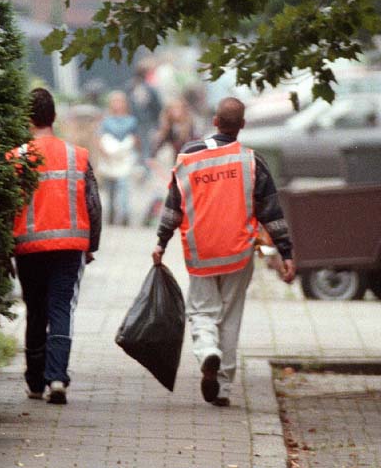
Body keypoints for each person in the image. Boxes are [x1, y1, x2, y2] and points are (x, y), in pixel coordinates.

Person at [152, 97, 295, 407]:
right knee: (230, 318)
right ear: (241, 126)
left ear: (214, 121)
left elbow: (173, 207)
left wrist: (161, 242)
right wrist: (286, 253)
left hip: (201, 250)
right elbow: (272, 212)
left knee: (202, 311)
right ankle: (223, 387)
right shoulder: (251, 162)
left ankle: (207, 352)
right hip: (238, 252)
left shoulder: (189, 157)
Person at [9, 88, 102, 405]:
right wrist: (92, 245)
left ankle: (35, 382)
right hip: (68, 247)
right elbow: (93, 204)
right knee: (61, 309)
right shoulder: (77, 155)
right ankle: (57, 378)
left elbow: (6, 206)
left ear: (27, 118)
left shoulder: (17, 158)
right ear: (54, 118)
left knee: (35, 311)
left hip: (29, 249)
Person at [98, 91, 138, 225]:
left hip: (124, 159)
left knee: (123, 186)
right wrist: (104, 151)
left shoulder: (131, 121)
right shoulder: (106, 120)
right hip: (109, 159)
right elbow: (100, 138)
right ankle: (111, 213)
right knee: (110, 190)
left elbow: (136, 139)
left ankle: (124, 214)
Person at [128, 65, 163, 164]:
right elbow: (157, 106)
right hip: (141, 122)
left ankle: (145, 166)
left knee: (145, 145)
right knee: (143, 145)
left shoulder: (133, 88)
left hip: (144, 122)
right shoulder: (137, 88)